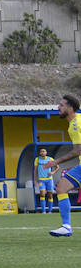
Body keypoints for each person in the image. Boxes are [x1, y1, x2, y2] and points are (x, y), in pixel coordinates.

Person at [41, 94, 81, 237]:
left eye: (62, 105)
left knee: (61, 188)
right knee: (61, 188)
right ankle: (66, 226)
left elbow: (78, 150)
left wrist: (55, 162)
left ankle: (66, 226)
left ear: (71, 108)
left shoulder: (76, 124)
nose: (59, 107)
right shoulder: (75, 122)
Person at [35, 148, 55, 213]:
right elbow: (35, 170)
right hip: (41, 180)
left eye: (44, 151)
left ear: (46, 152)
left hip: (49, 180)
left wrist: (52, 172)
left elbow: (57, 167)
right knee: (42, 194)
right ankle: (43, 211)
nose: (43, 152)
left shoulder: (50, 159)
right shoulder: (37, 159)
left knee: (50, 195)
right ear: (40, 153)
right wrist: (34, 179)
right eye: (41, 151)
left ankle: (50, 211)